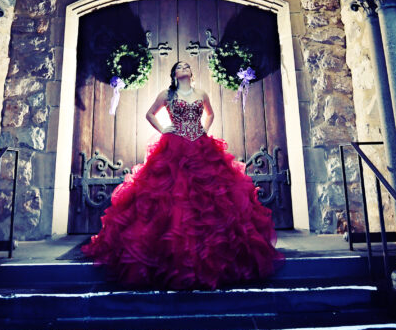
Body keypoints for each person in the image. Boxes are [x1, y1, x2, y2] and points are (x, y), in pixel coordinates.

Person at [82, 61, 282, 289]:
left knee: (210, 198)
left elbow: (210, 114)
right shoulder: (167, 94)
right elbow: (150, 114)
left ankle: (212, 258)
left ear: (191, 72)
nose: (185, 67)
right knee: (171, 196)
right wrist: (163, 128)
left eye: (187, 65)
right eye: (180, 66)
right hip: (174, 147)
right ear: (174, 73)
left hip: (200, 145)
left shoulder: (201, 93)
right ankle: (170, 256)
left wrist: (203, 131)